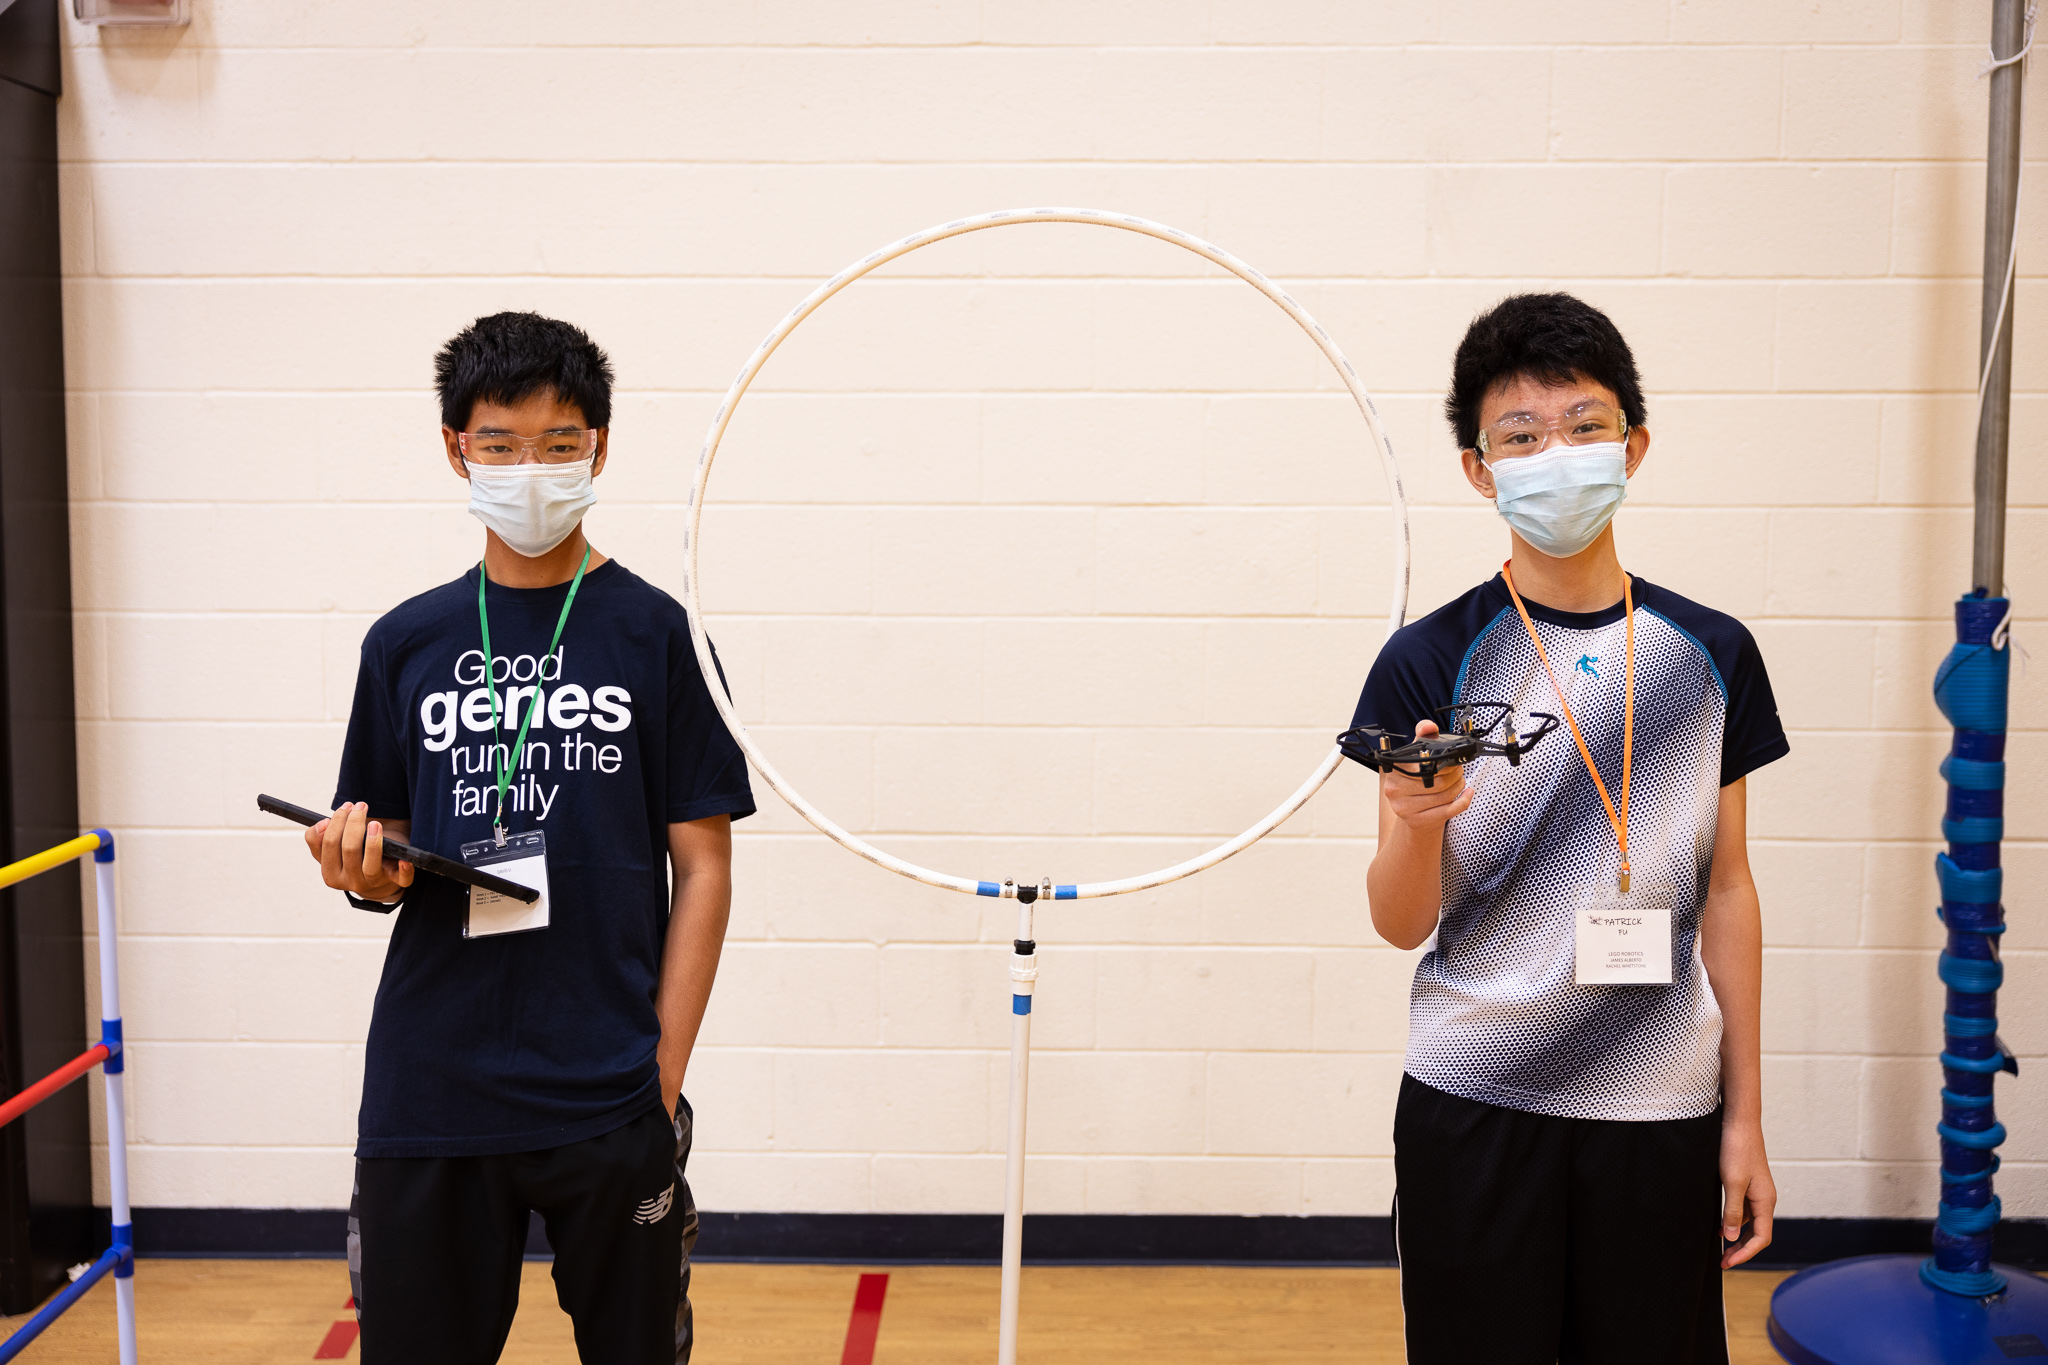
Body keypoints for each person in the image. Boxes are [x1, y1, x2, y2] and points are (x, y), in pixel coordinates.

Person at [304, 311, 754, 1364]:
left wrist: (662, 1073)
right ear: (456, 448)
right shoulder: (405, 642)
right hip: (431, 1086)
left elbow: (704, 868)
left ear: (599, 446)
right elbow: (388, 854)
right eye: (500, 444)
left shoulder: (662, 636)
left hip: (607, 1084)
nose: (529, 469)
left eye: (558, 445)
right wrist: (355, 871)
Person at [1349, 293, 1785, 1363]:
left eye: (1584, 426)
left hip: (1659, 1107)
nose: (1555, 453)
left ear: (1632, 445)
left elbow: (1726, 888)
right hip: (1476, 1103)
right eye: (1520, 435)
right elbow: (1399, 924)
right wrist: (1413, 824)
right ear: (1476, 468)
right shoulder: (1426, 659)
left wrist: (1744, 1116)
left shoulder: (1711, 652)